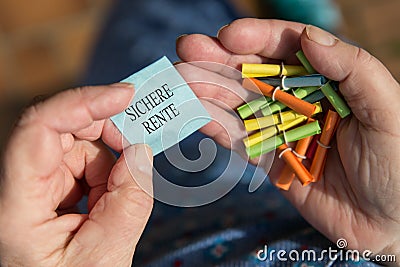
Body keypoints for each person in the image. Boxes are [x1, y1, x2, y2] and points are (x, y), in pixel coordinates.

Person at [0, 18, 399, 266]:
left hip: (142, 231)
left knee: (145, 32)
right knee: (200, 49)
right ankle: (307, 19)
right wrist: (392, 239)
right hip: (261, 191)